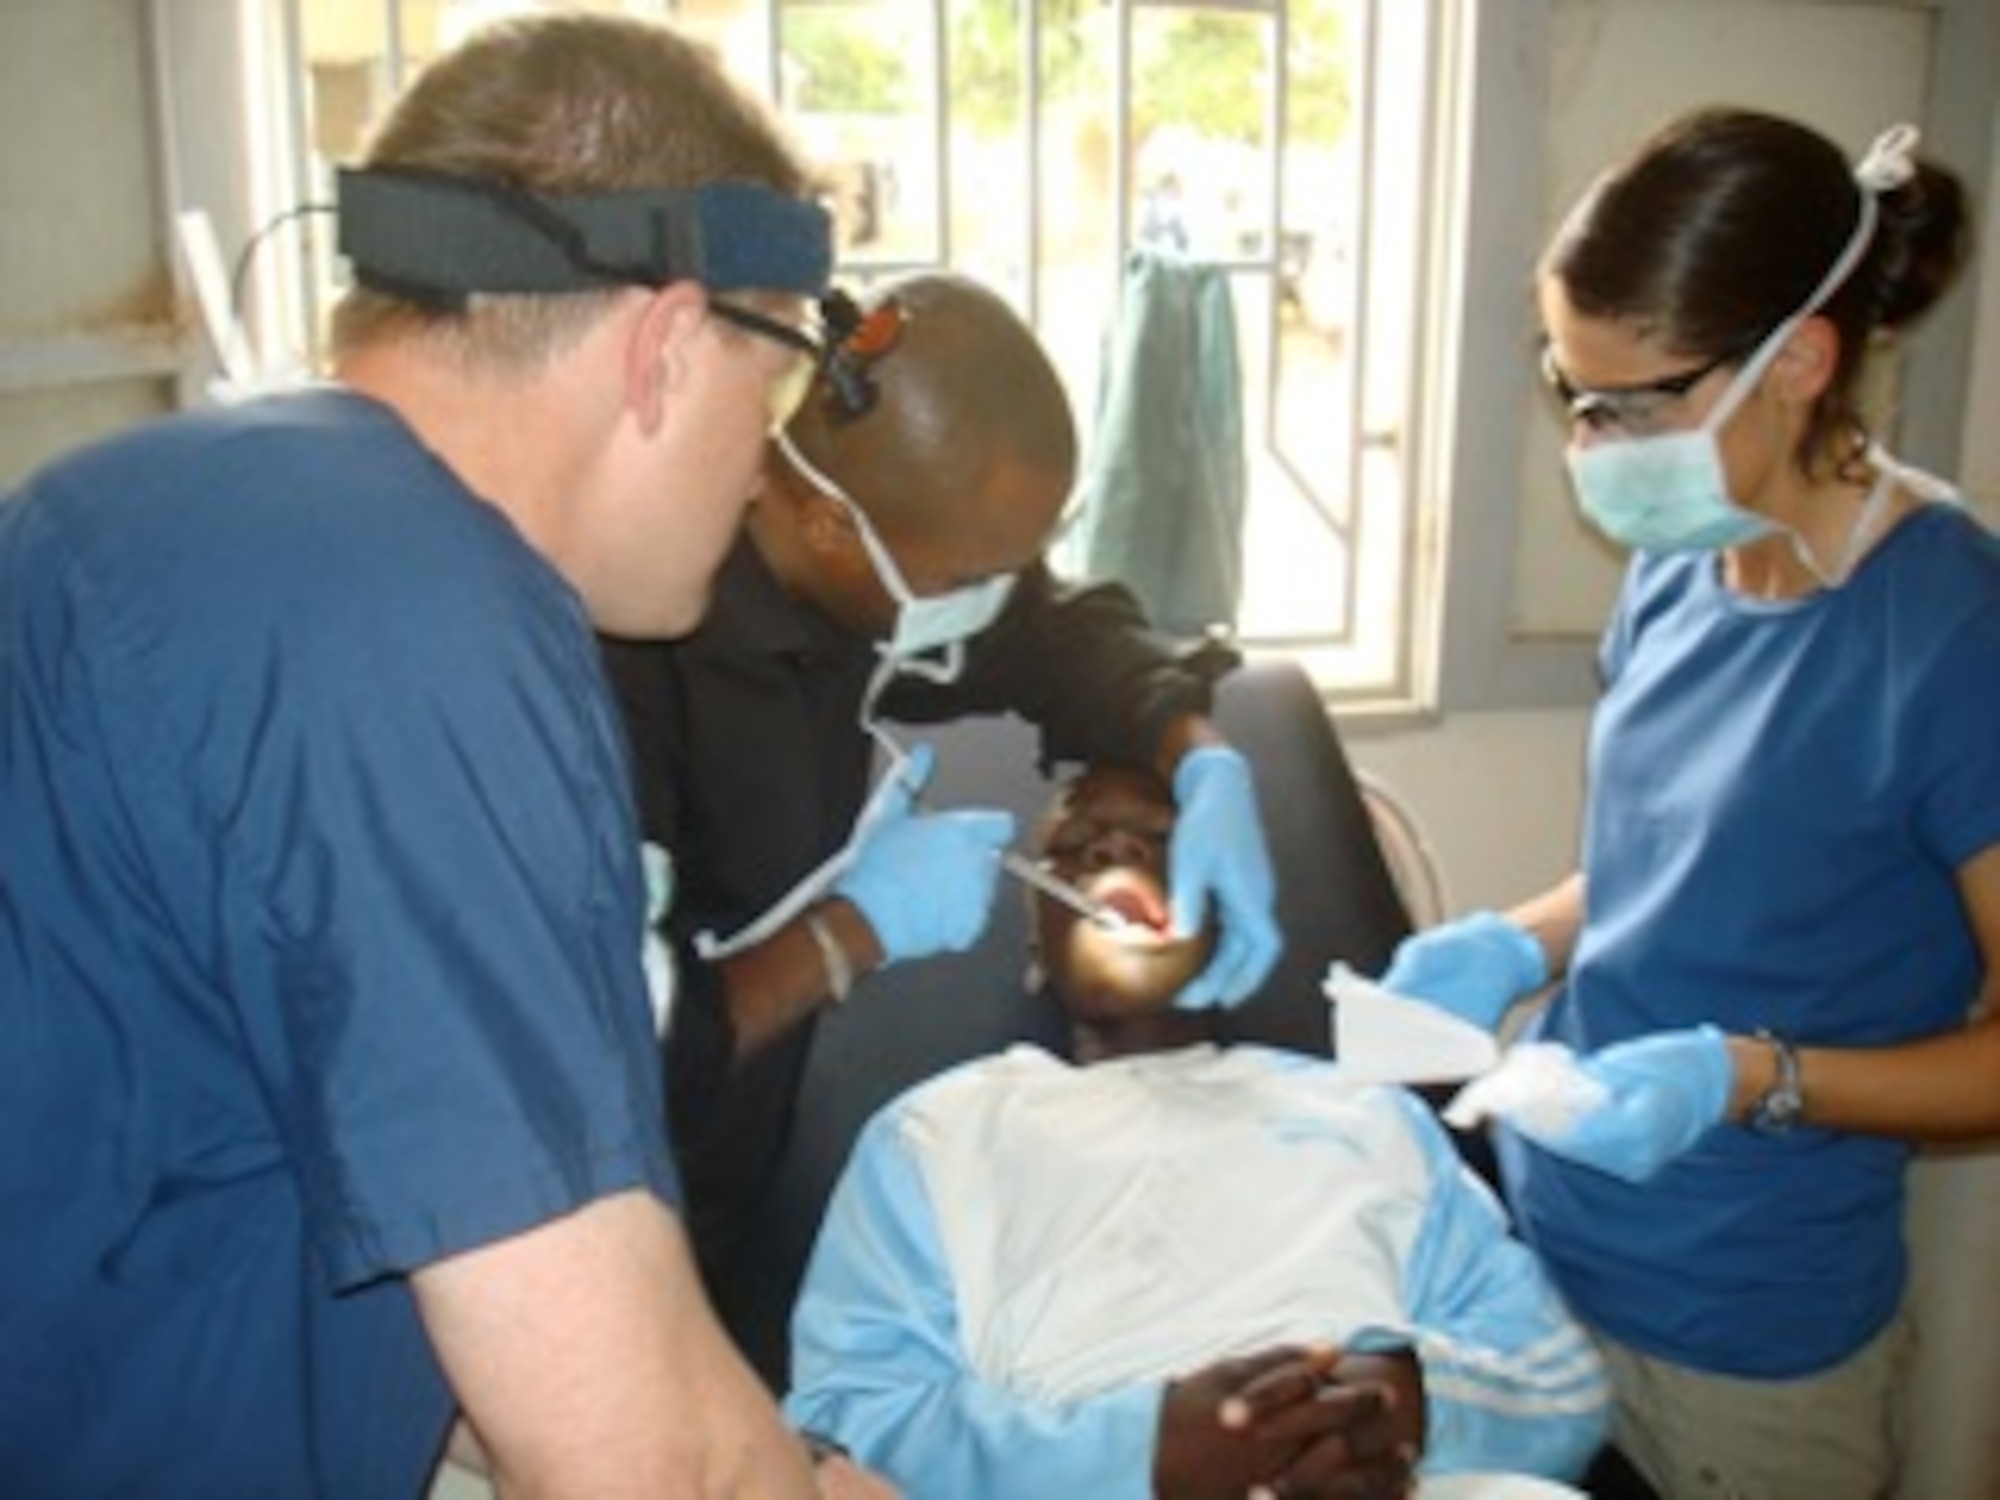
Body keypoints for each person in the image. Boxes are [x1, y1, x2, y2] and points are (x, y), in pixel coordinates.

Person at [0, 14, 884, 1496]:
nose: (764, 469)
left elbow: (447, 1282)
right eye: (779, 383)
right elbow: (630, 1468)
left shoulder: (134, 509)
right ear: (666, 344)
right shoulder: (418, 618)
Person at [1377, 107, 1997, 1498]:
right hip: (1551, 1246)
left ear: (1800, 363)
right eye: (1570, 391)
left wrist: (1753, 1078)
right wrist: (1516, 941)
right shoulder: (1688, 557)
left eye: (1636, 402)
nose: (1594, 443)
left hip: (1746, 1339)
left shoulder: (1948, 634)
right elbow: (1683, 865)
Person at [598, 270, 1284, 1367]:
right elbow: (611, 1043)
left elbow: (1056, 637)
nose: (997, 592)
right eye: (973, 570)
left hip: (720, 1189)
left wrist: (1199, 760)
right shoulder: (628, 654)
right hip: (594, 1207)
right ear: (828, 524)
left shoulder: (871, 579)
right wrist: (849, 933)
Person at [783, 762, 1610, 1498]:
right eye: (1080, 846)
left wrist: (1409, 1403)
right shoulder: (937, 1135)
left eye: (1160, 841)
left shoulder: (1367, 1115)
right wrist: (1144, 1454)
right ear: (1039, 940)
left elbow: (1561, 1380)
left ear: (1230, 910)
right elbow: (849, 1419)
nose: (1117, 855)